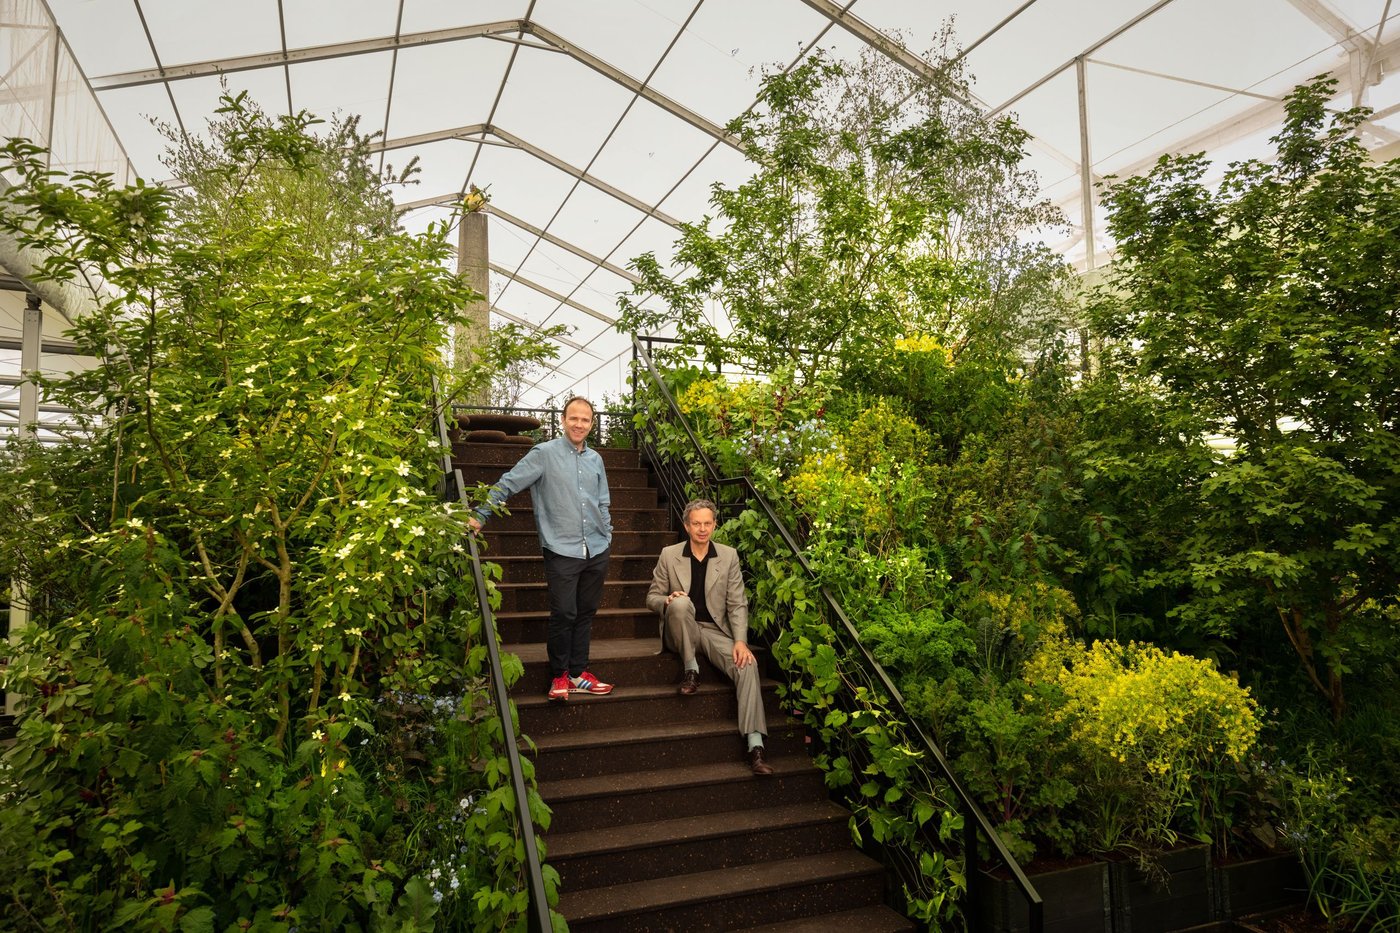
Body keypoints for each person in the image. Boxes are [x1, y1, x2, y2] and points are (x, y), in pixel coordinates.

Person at [469, 397, 614, 702]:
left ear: (591, 424)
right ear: (563, 420)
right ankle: (560, 675)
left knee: (585, 613)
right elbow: (508, 483)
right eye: (573, 418)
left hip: (596, 547)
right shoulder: (543, 454)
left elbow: (603, 500)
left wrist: (608, 532)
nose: (579, 424)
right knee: (564, 613)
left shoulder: (595, 459)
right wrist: (481, 514)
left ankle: (578, 673)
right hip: (561, 548)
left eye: (585, 420)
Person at [646, 499, 773, 776]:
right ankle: (691, 670)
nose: (702, 529)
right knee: (680, 604)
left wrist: (740, 641)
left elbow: (737, 604)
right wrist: (666, 600)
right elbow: (651, 597)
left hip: (714, 632)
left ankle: (755, 745)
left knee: (747, 664)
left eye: (707, 523)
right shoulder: (669, 554)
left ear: (714, 525)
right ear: (686, 526)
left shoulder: (728, 556)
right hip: (681, 628)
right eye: (696, 523)